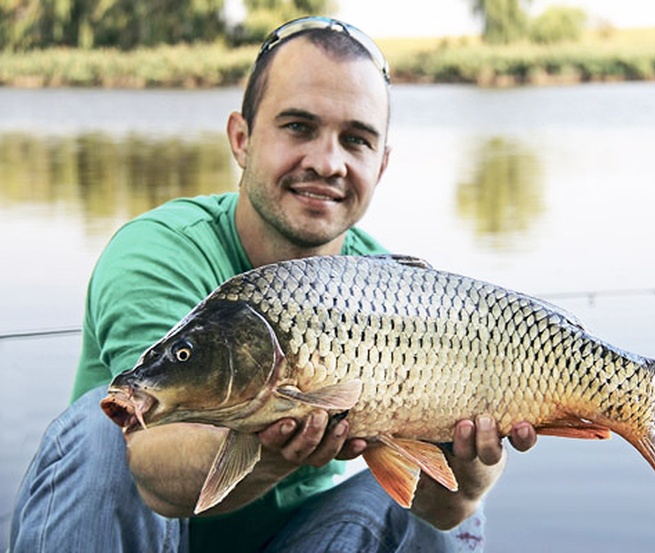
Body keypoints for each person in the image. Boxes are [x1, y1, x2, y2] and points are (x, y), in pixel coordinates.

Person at [10, 16, 537, 552]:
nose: (326, 162)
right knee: (108, 426)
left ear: (380, 165)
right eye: (298, 127)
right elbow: (151, 466)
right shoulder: (160, 253)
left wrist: (471, 464)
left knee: (422, 517)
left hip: (306, 539)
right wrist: (271, 444)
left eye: (355, 140)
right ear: (241, 139)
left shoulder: (391, 287)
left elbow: (453, 508)